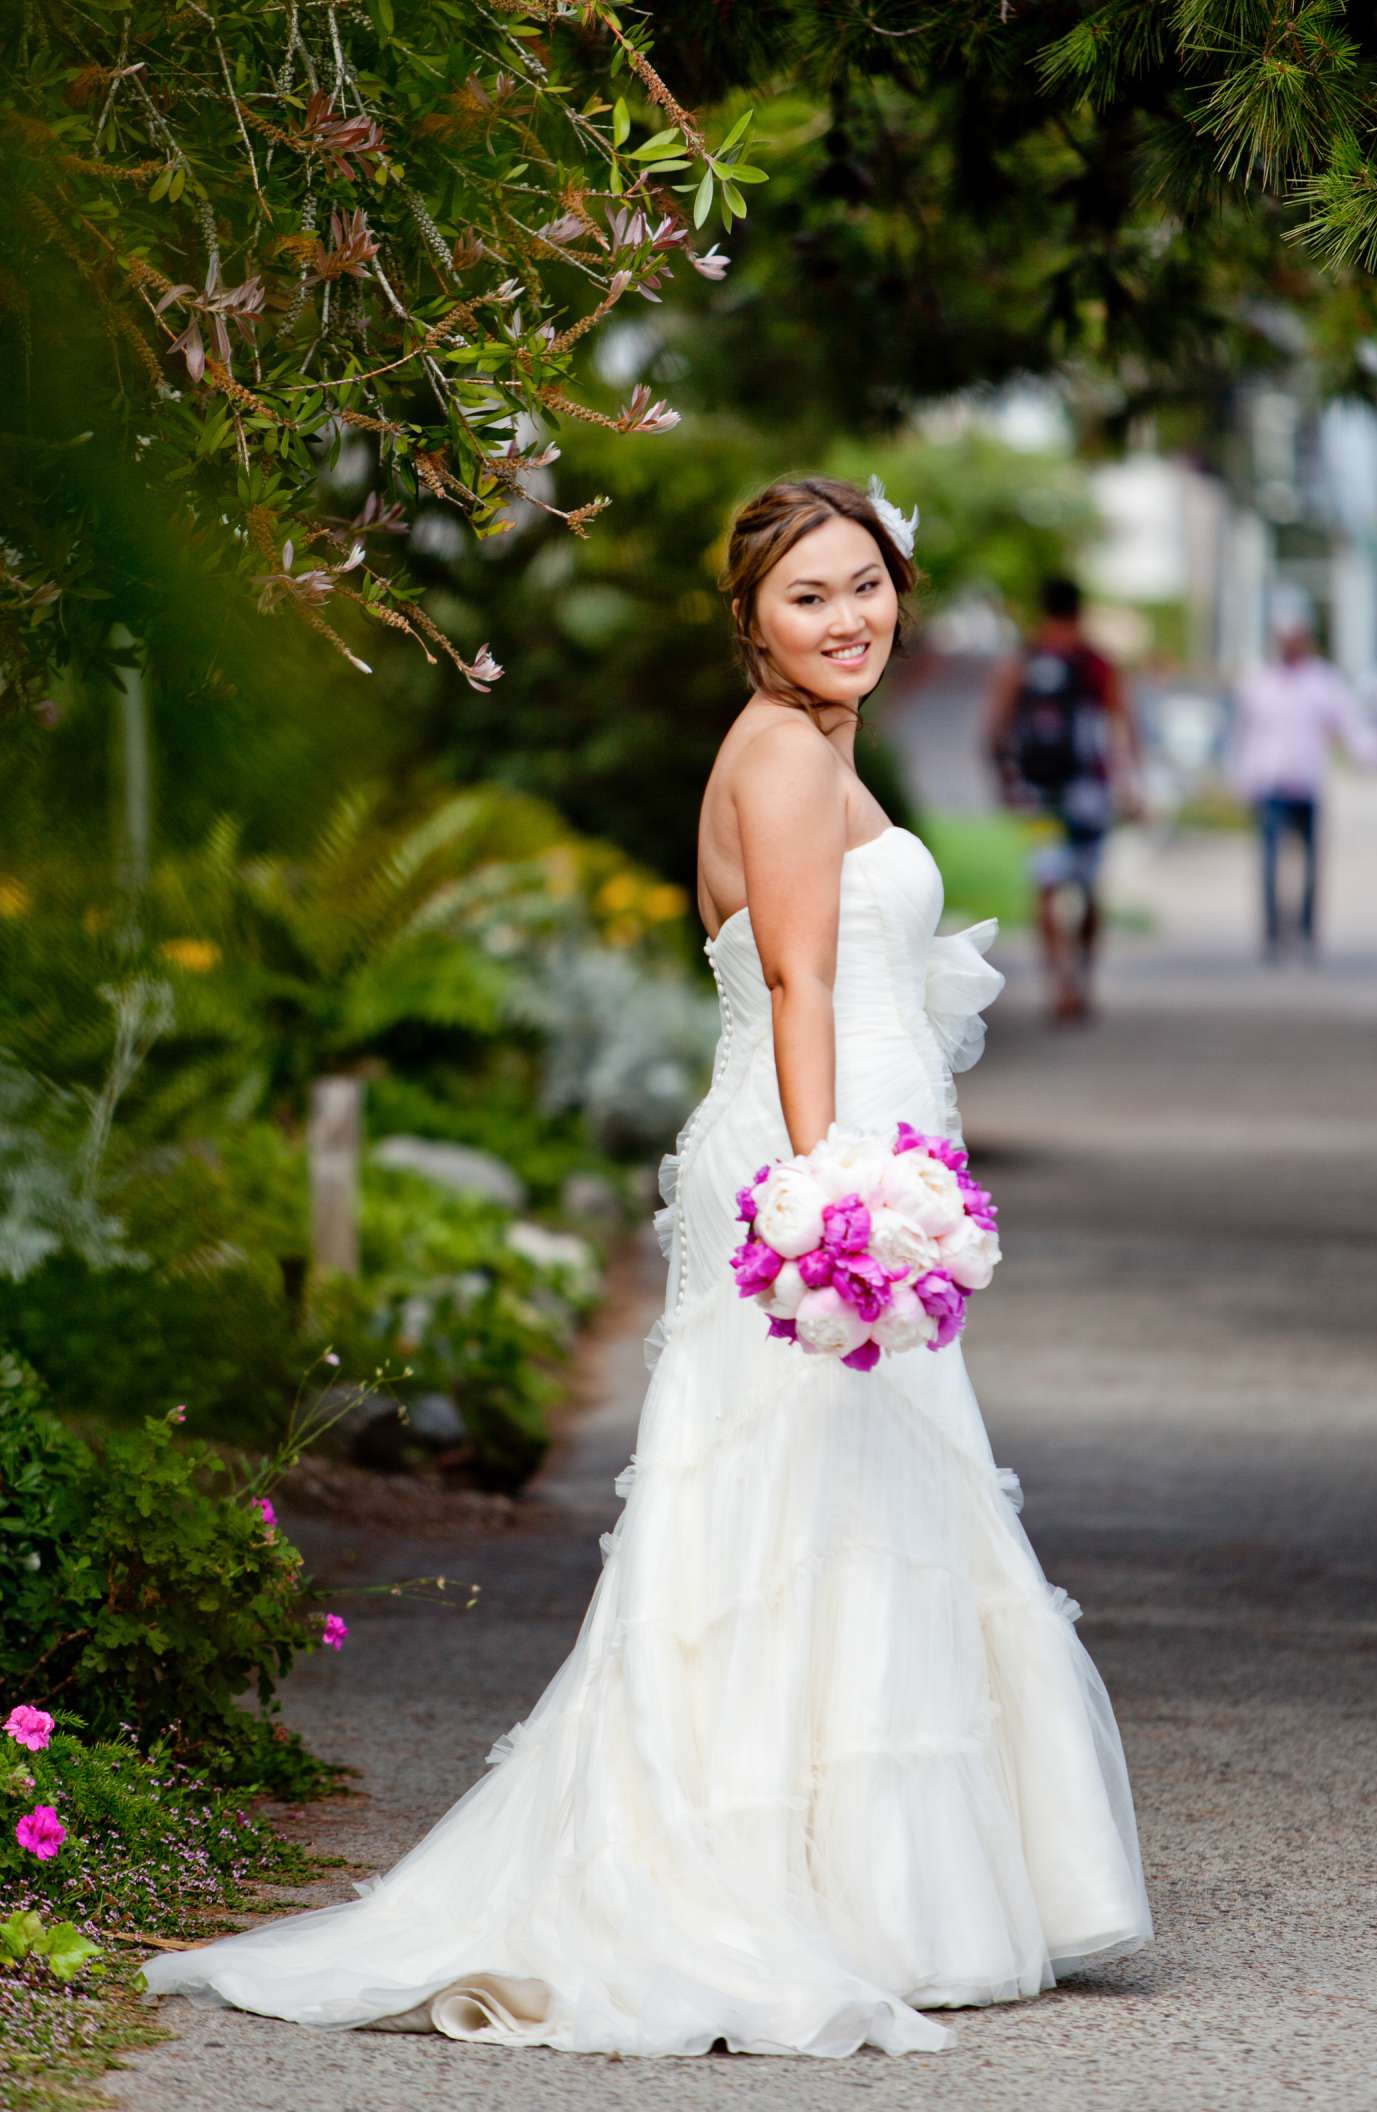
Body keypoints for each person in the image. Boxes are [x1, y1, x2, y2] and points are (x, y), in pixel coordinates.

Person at [142, 477, 1151, 2054]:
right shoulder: (783, 759)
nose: (850, 619)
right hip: (812, 1165)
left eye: (868, 586)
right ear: (749, 615)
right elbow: (802, 981)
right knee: (788, 1498)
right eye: (810, 596)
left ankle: (876, 1886)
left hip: (834, 1147)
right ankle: (798, 1884)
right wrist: (835, 1198)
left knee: (848, 1499)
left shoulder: (810, 747)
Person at [985, 577, 1140, 1020]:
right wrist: (1131, 784)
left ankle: (1058, 983)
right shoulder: (1096, 663)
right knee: (1089, 887)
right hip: (1089, 788)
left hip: (1039, 793)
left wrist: (1005, 782)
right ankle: (1085, 980)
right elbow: (1123, 724)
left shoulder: (1024, 659)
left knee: (1047, 884)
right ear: (1080, 609)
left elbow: (995, 725)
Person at [1229, 614, 1377, 959]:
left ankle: (1306, 930)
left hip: (1307, 783)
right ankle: (1272, 931)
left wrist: (1373, 755)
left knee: (1311, 864)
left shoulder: (1321, 682)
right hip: (1271, 783)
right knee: (1270, 862)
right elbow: (1244, 735)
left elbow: (1349, 723)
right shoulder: (1260, 682)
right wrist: (1243, 778)